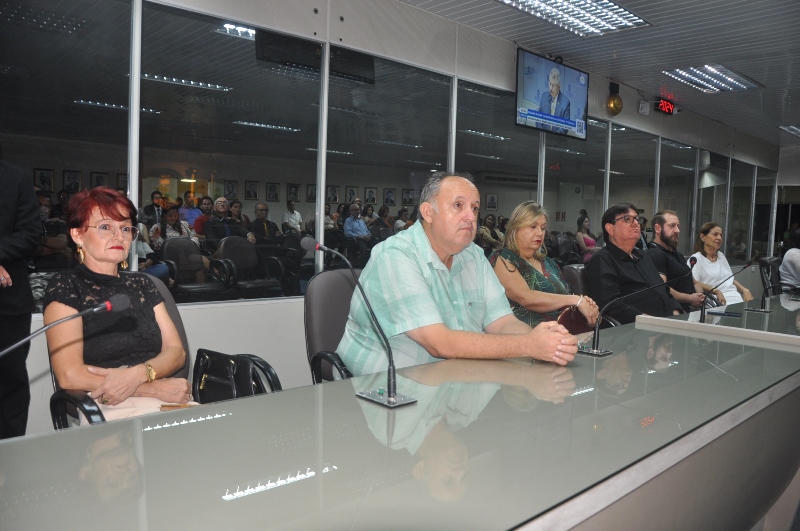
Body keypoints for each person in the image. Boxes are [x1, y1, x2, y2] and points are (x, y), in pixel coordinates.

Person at [337, 171, 578, 376]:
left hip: (453, 381)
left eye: (475, 208)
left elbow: (502, 322)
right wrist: (528, 345)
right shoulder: (395, 255)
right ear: (428, 212)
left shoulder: (473, 255)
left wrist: (547, 341)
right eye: (458, 206)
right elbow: (439, 343)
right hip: (385, 388)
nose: (471, 216)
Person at [42, 188, 192, 421]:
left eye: (125, 228)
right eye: (105, 227)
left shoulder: (143, 283)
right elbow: (69, 375)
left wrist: (139, 374)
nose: (118, 236)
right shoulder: (66, 285)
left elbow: (176, 353)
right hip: (108, 402)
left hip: (166, 396)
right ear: (77, 235)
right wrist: (151, 388)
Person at [489, 201, 599, 327]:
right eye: (533, 226)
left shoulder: (549, 263)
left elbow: (565, 299)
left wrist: (587, 306)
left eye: (542, 228)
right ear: (515, 228)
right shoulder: (502, 258)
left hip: (562, 330)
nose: (539, 233)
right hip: (525, 334)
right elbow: (525, 298)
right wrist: (576, 300)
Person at [586, 203, 682, 325]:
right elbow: (609, 304)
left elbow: (663, 290)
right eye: (627, 219)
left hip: (668, 324)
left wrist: (676, 312)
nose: (636, 223)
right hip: (636, 329)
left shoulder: (643, 256)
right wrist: (648, 321)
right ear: (610, 229)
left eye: (637, 219)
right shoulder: (602, 259)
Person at [0, 159, 40, 438]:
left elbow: (29, 234)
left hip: (8, 302)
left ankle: (11, 456)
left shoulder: (16, 177)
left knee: (11, 384)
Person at [648, 210, 705, 309]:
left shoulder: (676, 254)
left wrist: (699, 295)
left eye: (678, 226)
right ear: (658, 228)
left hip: (693, 308)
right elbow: (662, 288)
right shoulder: (655, 254)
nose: (677, 230)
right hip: (676, 311)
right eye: (672, 226)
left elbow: (694, 282)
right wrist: (690, 298)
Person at [689, 222, 752, 305]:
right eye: (715, 234)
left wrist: (744, 290)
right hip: (715, 300)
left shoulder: (720, 255)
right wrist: (716, 291)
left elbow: (730, 279)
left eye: (721, 235)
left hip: (734, 297)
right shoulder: (696, 259)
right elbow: (694, 282)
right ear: (703, 237)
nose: (719, 238)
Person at [538, 68, 571, 134]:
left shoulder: (566, 102)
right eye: (550, 84)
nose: (551, 88)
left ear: (559, 86)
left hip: (557, 139)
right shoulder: (544, 96)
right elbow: (538, 118)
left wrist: (554, 136)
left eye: (553, 86)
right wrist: (542, 133)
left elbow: (565, 126)